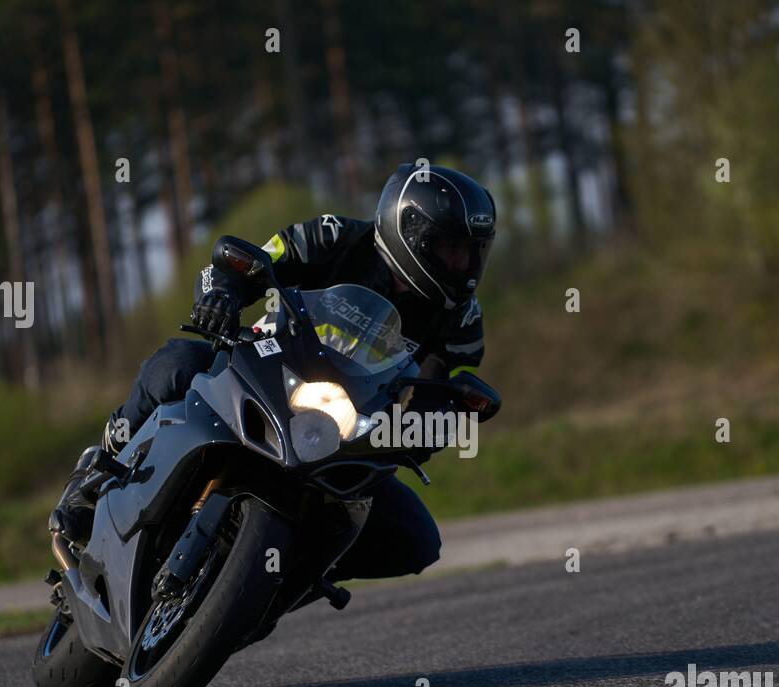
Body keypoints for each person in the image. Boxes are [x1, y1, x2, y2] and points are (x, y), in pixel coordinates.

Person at [50, 162, 497, 582]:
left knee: (416, 540)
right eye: (451, 248)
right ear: (410, 232)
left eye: (472, 251)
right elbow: (231, 266)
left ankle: (289, 579)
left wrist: (427, 428)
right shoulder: (333, 237)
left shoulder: (461, 320)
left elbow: (442, 394)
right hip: (262, 370)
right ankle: (99, 471)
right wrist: (221, 296)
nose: (463, 266)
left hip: (348, 436)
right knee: (176, 364)